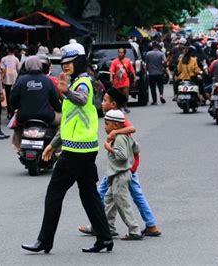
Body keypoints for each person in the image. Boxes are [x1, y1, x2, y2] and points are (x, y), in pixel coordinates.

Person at [21, 42, 113, 254]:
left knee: (54, 193)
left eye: (69, 62)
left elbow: (80, 100)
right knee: (88, 194)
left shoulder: (84, 83)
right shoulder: (78, 82)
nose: (65, 66)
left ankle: (45, 240)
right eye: (63, 63)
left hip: (76, 152)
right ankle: (105, 238)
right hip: (84, 149)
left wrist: (66, 91)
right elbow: (70, 121)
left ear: (79, 61)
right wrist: (53, 145)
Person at [78, 88, 161, 238]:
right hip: (123, 166)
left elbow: (132, 130)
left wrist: (113, 138)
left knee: (105, 195)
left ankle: (110, 226)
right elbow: (135, 145)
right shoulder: (116, 119)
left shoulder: (119, 120)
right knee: (112, 196)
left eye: (105, 100)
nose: (102, 103)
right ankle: (110, 225)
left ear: (113, 104)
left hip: (123, 167)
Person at [102, 109, 143, 240]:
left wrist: (109, 149)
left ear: (116, 125)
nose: (105, 127)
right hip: (117, 176)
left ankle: (134, 230)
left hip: (120, 175)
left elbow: (122, 156)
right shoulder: (126, 137)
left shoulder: (119, 138)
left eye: (107, 124)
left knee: (123, 203)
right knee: (109, 200)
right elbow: (137, 148)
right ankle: (108, 227)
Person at [9, 56, 61, 149]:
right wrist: (59, 110)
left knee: (17, 128)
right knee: (62, 121)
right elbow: (55, 100)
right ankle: (57, 148)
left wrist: (17, 108)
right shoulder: (47, 80)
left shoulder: (21, 80)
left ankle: (18, 147)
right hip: (46, 116)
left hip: (24, 117)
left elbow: (12, 99)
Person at [0, 44, 20, 119]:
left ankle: (9, 112)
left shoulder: (3, 59)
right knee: (15, 97)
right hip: (15, 80)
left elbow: (2, 70)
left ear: (7, 50)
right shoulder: (16, 59)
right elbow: (18, 69)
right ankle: (14, 112)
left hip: (6, 80)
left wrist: (1, 79)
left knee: (8, 97)